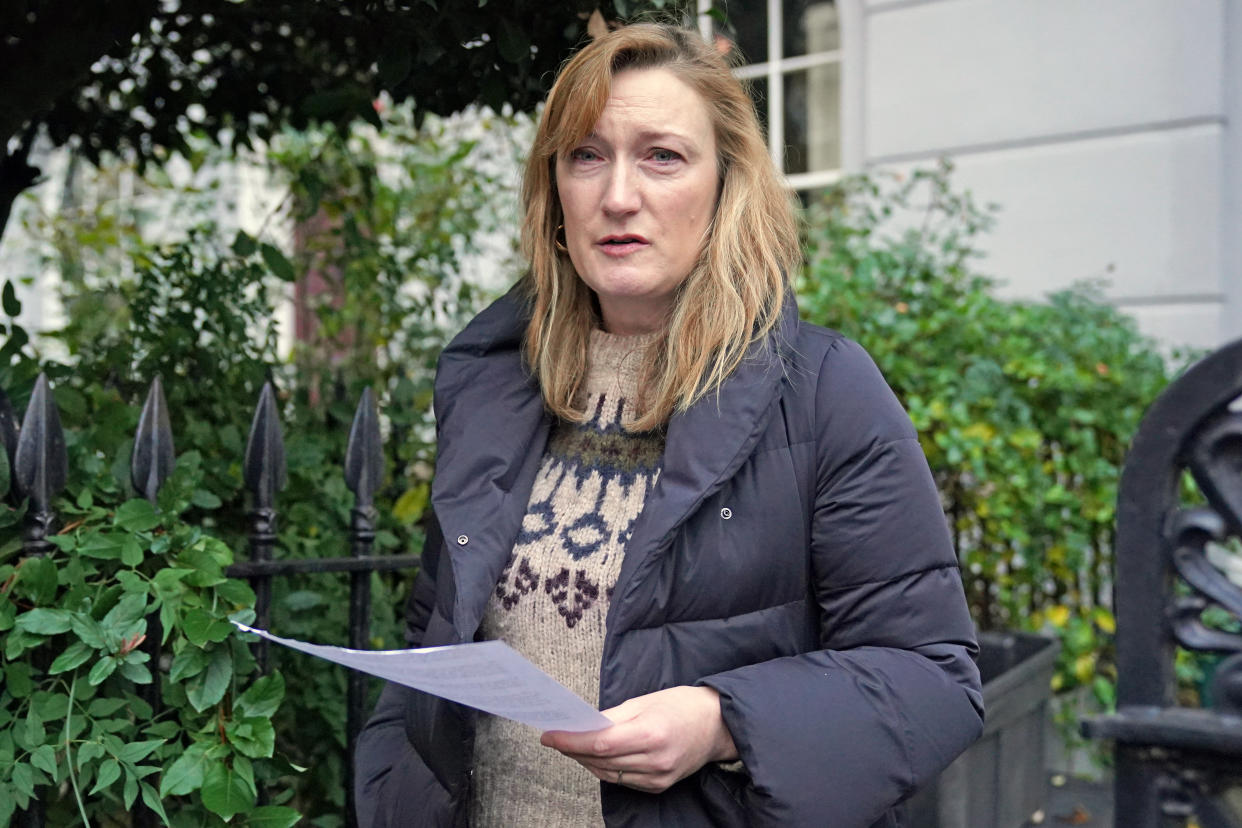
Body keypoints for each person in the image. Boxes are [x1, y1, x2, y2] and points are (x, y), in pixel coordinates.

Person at [355, 22, 983, 828]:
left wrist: (725, 722)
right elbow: (431, 639)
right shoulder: (493, 384)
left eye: (662, 156)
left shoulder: (825, 391)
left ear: (727, 187)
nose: (619, 195)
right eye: (586, 155)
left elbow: (932, 677)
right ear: (555, 194)